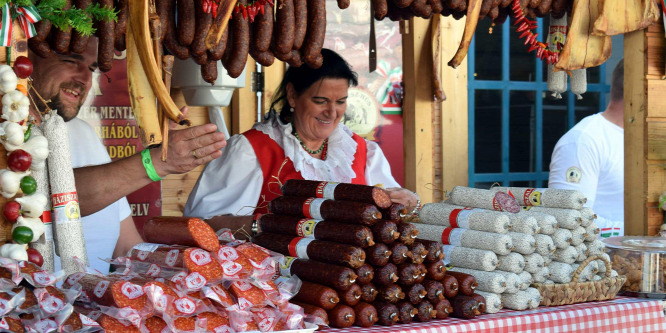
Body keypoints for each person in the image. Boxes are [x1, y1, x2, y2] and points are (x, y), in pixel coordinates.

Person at [28, 38, 227, 272]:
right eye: (71, 61)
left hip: (92, 302)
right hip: (32, 304)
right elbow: (47, 197)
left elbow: (126, 249)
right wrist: (155, 162)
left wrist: (196, 267)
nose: (85, 78)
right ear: (28, 60)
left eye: (92, 69)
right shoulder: (9, 132)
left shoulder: (84, 133)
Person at [184, 49, 418, 231]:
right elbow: (203, 224)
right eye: (320, 101)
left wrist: (404, 203)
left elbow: (387, 217)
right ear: (293, 95)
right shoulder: (251, 150)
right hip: (270, 282)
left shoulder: (363, 152)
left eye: (340, 101)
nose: (332, 112)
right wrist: (270, 225)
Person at [548, 59, 624, 237]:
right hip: (600, 263)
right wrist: (644, 235)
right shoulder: (584, 141)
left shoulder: (654, 139)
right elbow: (569, 221)